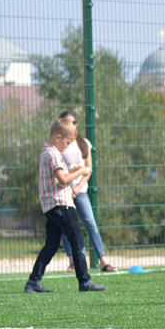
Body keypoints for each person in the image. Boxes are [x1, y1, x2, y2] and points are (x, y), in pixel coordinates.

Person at [25, 118, 107, 293]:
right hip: (61, 204)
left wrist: (71, 170)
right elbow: (62, 180)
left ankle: (33, 281)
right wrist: (81, 171)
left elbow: (59, 176)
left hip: (51, 206)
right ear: (58, 137)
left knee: (52, 244)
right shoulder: (54, 153)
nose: (68, 146)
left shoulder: (46, 152)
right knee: (77, 240)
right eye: (67, 142)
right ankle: (85, 282)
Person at [57, 111, 117, 272]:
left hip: (80, 191)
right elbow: (60, 172)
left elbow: (88, 169)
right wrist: (70, 180)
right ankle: (73, 263)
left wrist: (78, 186)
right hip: (65, 191)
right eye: (69, 123)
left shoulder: (84, 143)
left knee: (91, 224)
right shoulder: (61, 145)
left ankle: (103, 261)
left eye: (75, 122)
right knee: (67, 227)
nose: (73, 126)